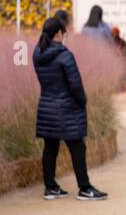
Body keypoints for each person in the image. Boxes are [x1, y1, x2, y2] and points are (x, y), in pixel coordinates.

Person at [34, 17, 108, 201]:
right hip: (67, 108)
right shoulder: (65, 55)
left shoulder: (38, 53)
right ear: (59, 33)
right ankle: (85, 188)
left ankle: (50, 187)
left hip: (46, 106)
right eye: (65, 33)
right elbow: (75, 85)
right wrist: (82, 101)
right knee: (77, 147)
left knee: (50, 147)